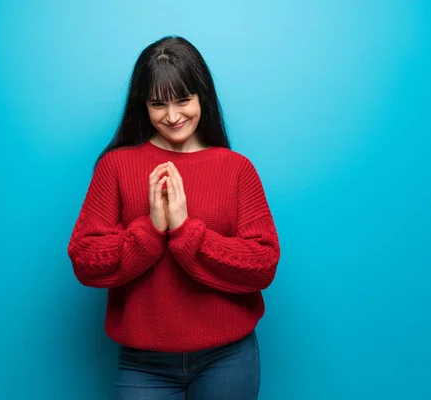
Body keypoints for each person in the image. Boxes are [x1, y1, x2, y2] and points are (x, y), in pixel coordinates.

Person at [67, 36, 280, 400]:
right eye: (158, 104)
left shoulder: (237, 169)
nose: (173, 116)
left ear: (203, 98)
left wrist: (186, 232)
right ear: (143, 105)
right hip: (144, 364)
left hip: (229, 357)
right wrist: (150, 231)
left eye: (183, 100)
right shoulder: (115, 167)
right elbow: (86, 261)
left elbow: (263, 265)